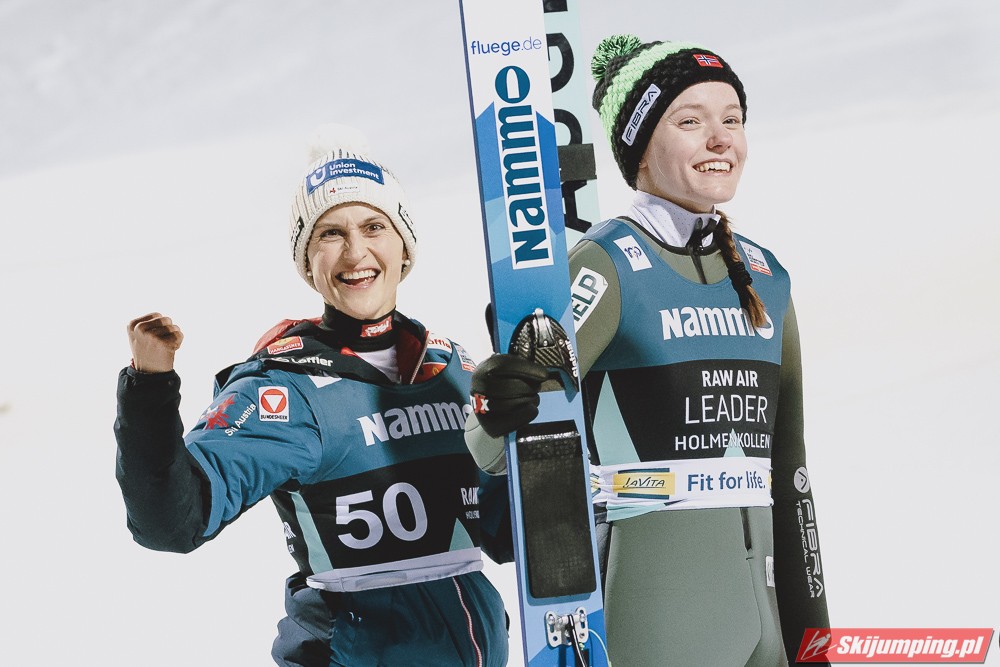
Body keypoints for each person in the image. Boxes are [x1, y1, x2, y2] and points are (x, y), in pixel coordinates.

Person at [466, 35, 830, 665]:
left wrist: (814, 638)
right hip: (657, 620)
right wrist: (498, 398)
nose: (720, 139)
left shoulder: (766, 277)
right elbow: (491, 450)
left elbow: (790, 474)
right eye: (691, 122)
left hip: (766, 623)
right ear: (639, 147)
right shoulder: (605, 265)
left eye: (732, 120)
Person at [115, 125, 511, 667]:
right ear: (307, 263)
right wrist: (149, 387)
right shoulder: (284, 383)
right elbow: (171, 521)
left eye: (374, 226)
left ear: (404, 246)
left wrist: (532, 411)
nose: (355, 252)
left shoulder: (453, 369)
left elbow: (509, 531)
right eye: (330, 234)